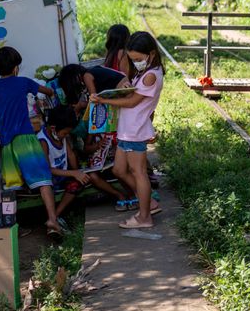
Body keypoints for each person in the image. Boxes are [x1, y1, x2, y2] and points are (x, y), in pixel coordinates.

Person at [0, 46, 63, 239]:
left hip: (7, 143)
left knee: (12, 186)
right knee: (43, 180)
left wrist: (1, 130)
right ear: (16, 67)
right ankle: (52, 220)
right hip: (26, 139)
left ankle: (13, 227)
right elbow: (47, 92)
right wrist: (52, 95)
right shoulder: (23, 82)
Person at [90, 32, 165, 229]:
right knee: (119, 170)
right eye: (133, 60)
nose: (136, 63)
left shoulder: (150, 75)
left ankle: (145, 217)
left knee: (138, 172)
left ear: (151, 53)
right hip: (127, 129)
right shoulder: (146, 71)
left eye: (138, 59)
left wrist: (105, 99)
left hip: (135, 130)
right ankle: (149, 203)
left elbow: (132, 102)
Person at [38, 106, 130, 219]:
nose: (67, 136)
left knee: (82, 180)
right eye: (65, 133)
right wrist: (74, 173)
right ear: (53, 128)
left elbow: (70, 154)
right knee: (76, 184)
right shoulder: (43, 141)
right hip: (51, 180)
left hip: (64, 176)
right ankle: (55, 217)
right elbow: (48, 170)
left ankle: (55, 216)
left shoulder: (60, 135)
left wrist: (79, 171)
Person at [57, 63, 127, 111]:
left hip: (123, 88)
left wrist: (80, 106)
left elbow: (94, 99)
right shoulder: (91, 72)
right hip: (122, 88)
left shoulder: (87, 76)